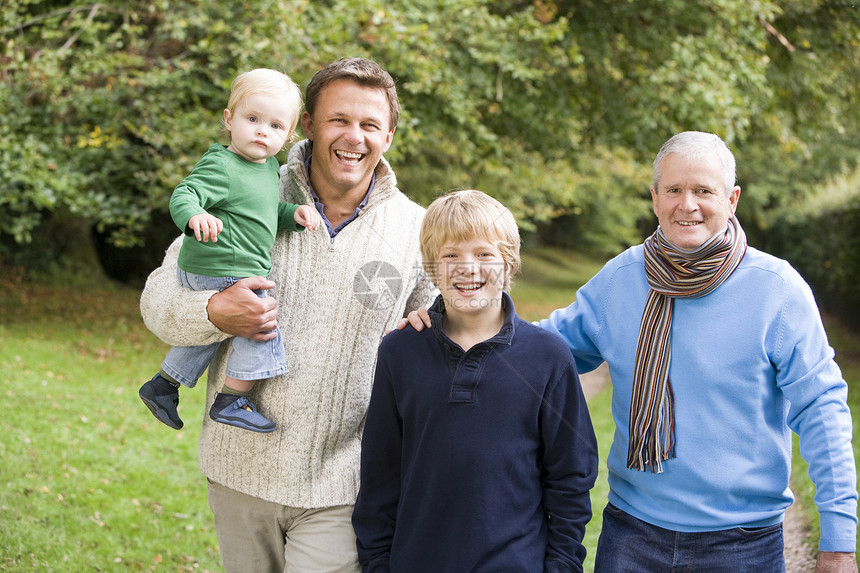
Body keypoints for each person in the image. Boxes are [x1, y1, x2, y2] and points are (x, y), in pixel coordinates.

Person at [402, 132, 858, 571]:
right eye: (674, 189)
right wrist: (442, 324)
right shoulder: (622, 278)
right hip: (632, 538)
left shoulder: (776, 290)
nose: (688, 204)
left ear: (732, 200)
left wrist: (838, 542)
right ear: (655, 197)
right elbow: (533, 349)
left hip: (743, 544)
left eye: (704, 190)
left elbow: (822, 409)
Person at [139, 58, 436, 572]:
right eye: (338, 120)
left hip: (346, 483)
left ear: (389, 134)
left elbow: (440, 336)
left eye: (370, 124)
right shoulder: (246, 187)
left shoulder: (417, 229)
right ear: (309, 126)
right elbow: (158, 302)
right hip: (239, 471)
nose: (354, 137)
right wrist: (213, 310)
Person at [352, 190, 599, 572]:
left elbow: (570, 476)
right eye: (451, 255)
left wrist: (562, 565)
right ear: (432, 267)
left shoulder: (548, 356)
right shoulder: (399, 352)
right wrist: (377, 563)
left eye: (484, 254)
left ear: (509, 262)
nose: (467, 267)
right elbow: (379, 475)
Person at [139, 68, 322, 434]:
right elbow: (184, 194)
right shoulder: (223, 164)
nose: (261, 131)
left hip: (231, 265)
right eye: (252, 119)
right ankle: (232, 399)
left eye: (274, 126)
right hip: (218, 262)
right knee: (259, 323)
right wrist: (195, 216)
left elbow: (264, 214)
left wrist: (294, 215)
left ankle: (163, 386)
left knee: (221, 327)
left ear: (288, 136)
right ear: (229, 119)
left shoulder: (268, 169)